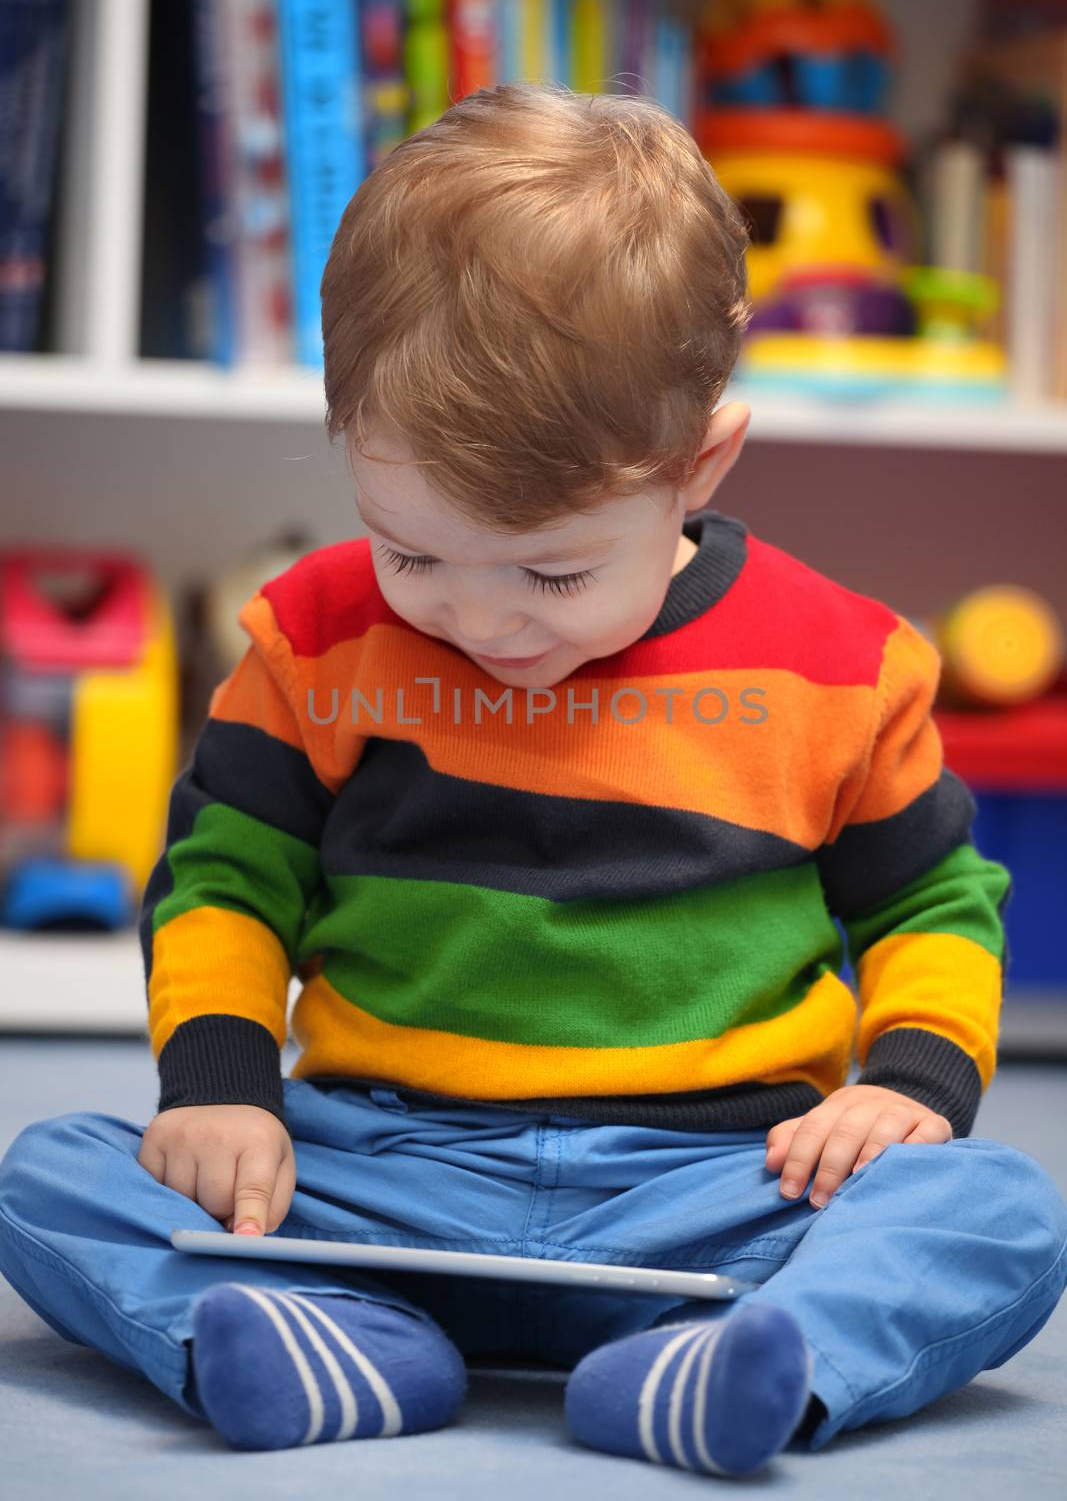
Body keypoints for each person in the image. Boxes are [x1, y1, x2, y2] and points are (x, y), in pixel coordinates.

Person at [1, 82, 1064, 1477]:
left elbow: (933, 902)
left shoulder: (843, 664)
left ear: (699, 464)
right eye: (412, 552)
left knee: (997, 1212)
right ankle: (339, 1344)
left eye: (554, 571)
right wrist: (220, 1087)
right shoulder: (316, 639)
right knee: (51, 1175)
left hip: (719, 1194)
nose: (482, 619)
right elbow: (226, 877)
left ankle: (735, 1367)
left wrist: (910, 1082)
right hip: (372, 1178)